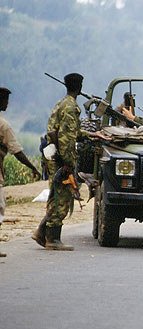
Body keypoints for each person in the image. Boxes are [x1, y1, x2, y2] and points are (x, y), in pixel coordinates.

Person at [32, 73, 110, 251]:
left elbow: (70, 131)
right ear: (79, 87)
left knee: (55, 195)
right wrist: (68, 163)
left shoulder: (61, 103)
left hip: (53, 156)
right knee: (62, 197)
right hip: (61, 159)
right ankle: (53, 239)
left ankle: (41, 232)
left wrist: (92, 134)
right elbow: (66, 137)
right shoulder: (71, 107)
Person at [0, 87, 41, 257]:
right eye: (6, 100)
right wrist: (33, 168)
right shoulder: (4, 125)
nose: (8, 104)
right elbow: (17, 151)